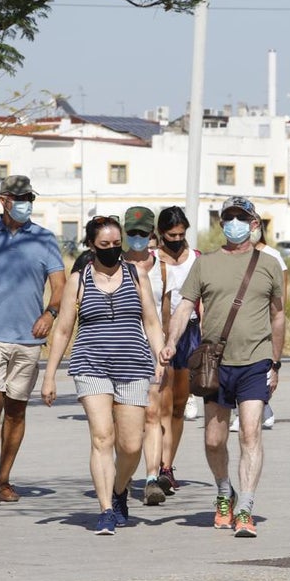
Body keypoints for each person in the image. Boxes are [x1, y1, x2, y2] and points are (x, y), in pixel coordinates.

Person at [160, 196, 285, 537]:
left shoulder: (269, 263)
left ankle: (245, 506)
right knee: (215, 440)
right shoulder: (206, 263)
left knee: (249, 433)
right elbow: (185, 306)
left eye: (241, 218)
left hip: (255, 362)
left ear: (254, 224)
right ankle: (223, 492)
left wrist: (276, 361)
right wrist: (171, 341)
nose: (234, 223)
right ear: (221, 223)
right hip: (214, 364)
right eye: (228, 217)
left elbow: (278, 314)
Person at [41, 215, 164, 535]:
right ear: (91, 246)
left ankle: (120, 489)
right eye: (104, 245)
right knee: (101, 437)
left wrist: (160, 356)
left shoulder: (136, 275)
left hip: (134, 366)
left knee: (131, 445)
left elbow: (151, 320)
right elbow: (64, 329)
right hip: (90, 365)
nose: (111, 250)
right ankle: (106, 509)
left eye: (116, 245)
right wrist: (50, 375)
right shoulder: (78, 280)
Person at [0, 175, 66, 505]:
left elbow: (60, 287)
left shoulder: (45, 239)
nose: (26, 204)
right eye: (20, 198)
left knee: (16, 411)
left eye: (29, 198)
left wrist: (49, 314)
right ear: (4, 200)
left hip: (28, 340)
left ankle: (5, 478)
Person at [149, 205, 202, 497]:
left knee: (180, 403)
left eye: (182, 234)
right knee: (163, 404)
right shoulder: (153, 260)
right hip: (161, 334)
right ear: (161, 233)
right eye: (171, 234)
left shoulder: (195, 259)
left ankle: (168, 465)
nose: (177, 239)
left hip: (190, 334)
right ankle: (156, 465)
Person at [121, 205, 169, 505]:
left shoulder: (162, 265)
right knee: (123, 419)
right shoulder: (113, 263)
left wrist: (164, 348)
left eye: (142, 233)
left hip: (151, 348)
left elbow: (164, 308)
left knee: (153, 413)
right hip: (121, 348)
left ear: (152, 234)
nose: (137, 238)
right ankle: (122, 477)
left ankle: (152, 478)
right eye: (132, 233)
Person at [227, 227, 287, 433]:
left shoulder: (273, 256)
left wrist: (274, 320)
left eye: (254, 224)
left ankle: (259, 409)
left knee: (259, 369)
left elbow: (280, 297)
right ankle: (253, 411)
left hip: (262, 321)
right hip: (236, 322)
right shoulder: (230, 256)